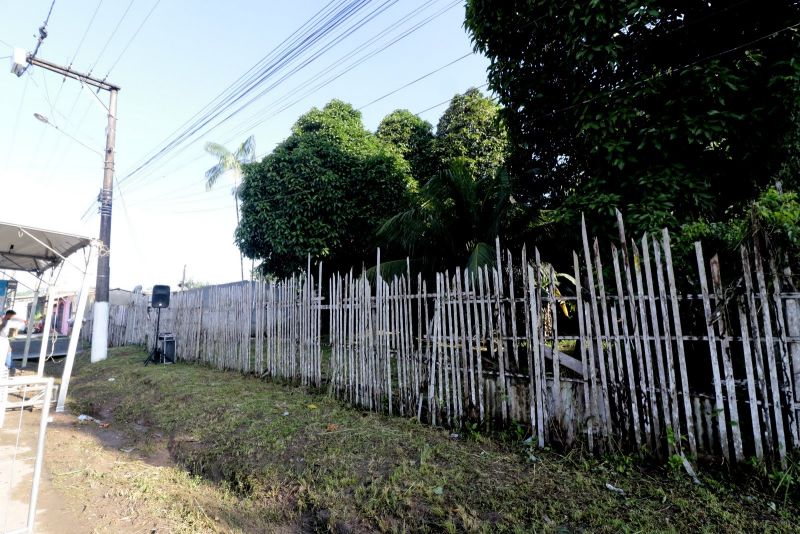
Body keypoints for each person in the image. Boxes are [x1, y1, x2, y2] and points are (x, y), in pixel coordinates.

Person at [1, 310, 25, 376]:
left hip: (4, 339)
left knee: (8, 351)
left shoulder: (7, 321)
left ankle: (11, 367)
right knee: (6, 352)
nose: (13, 318)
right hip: (2, 339)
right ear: (8, 315)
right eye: (12, 316)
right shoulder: (3, 320)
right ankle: (11, 367)